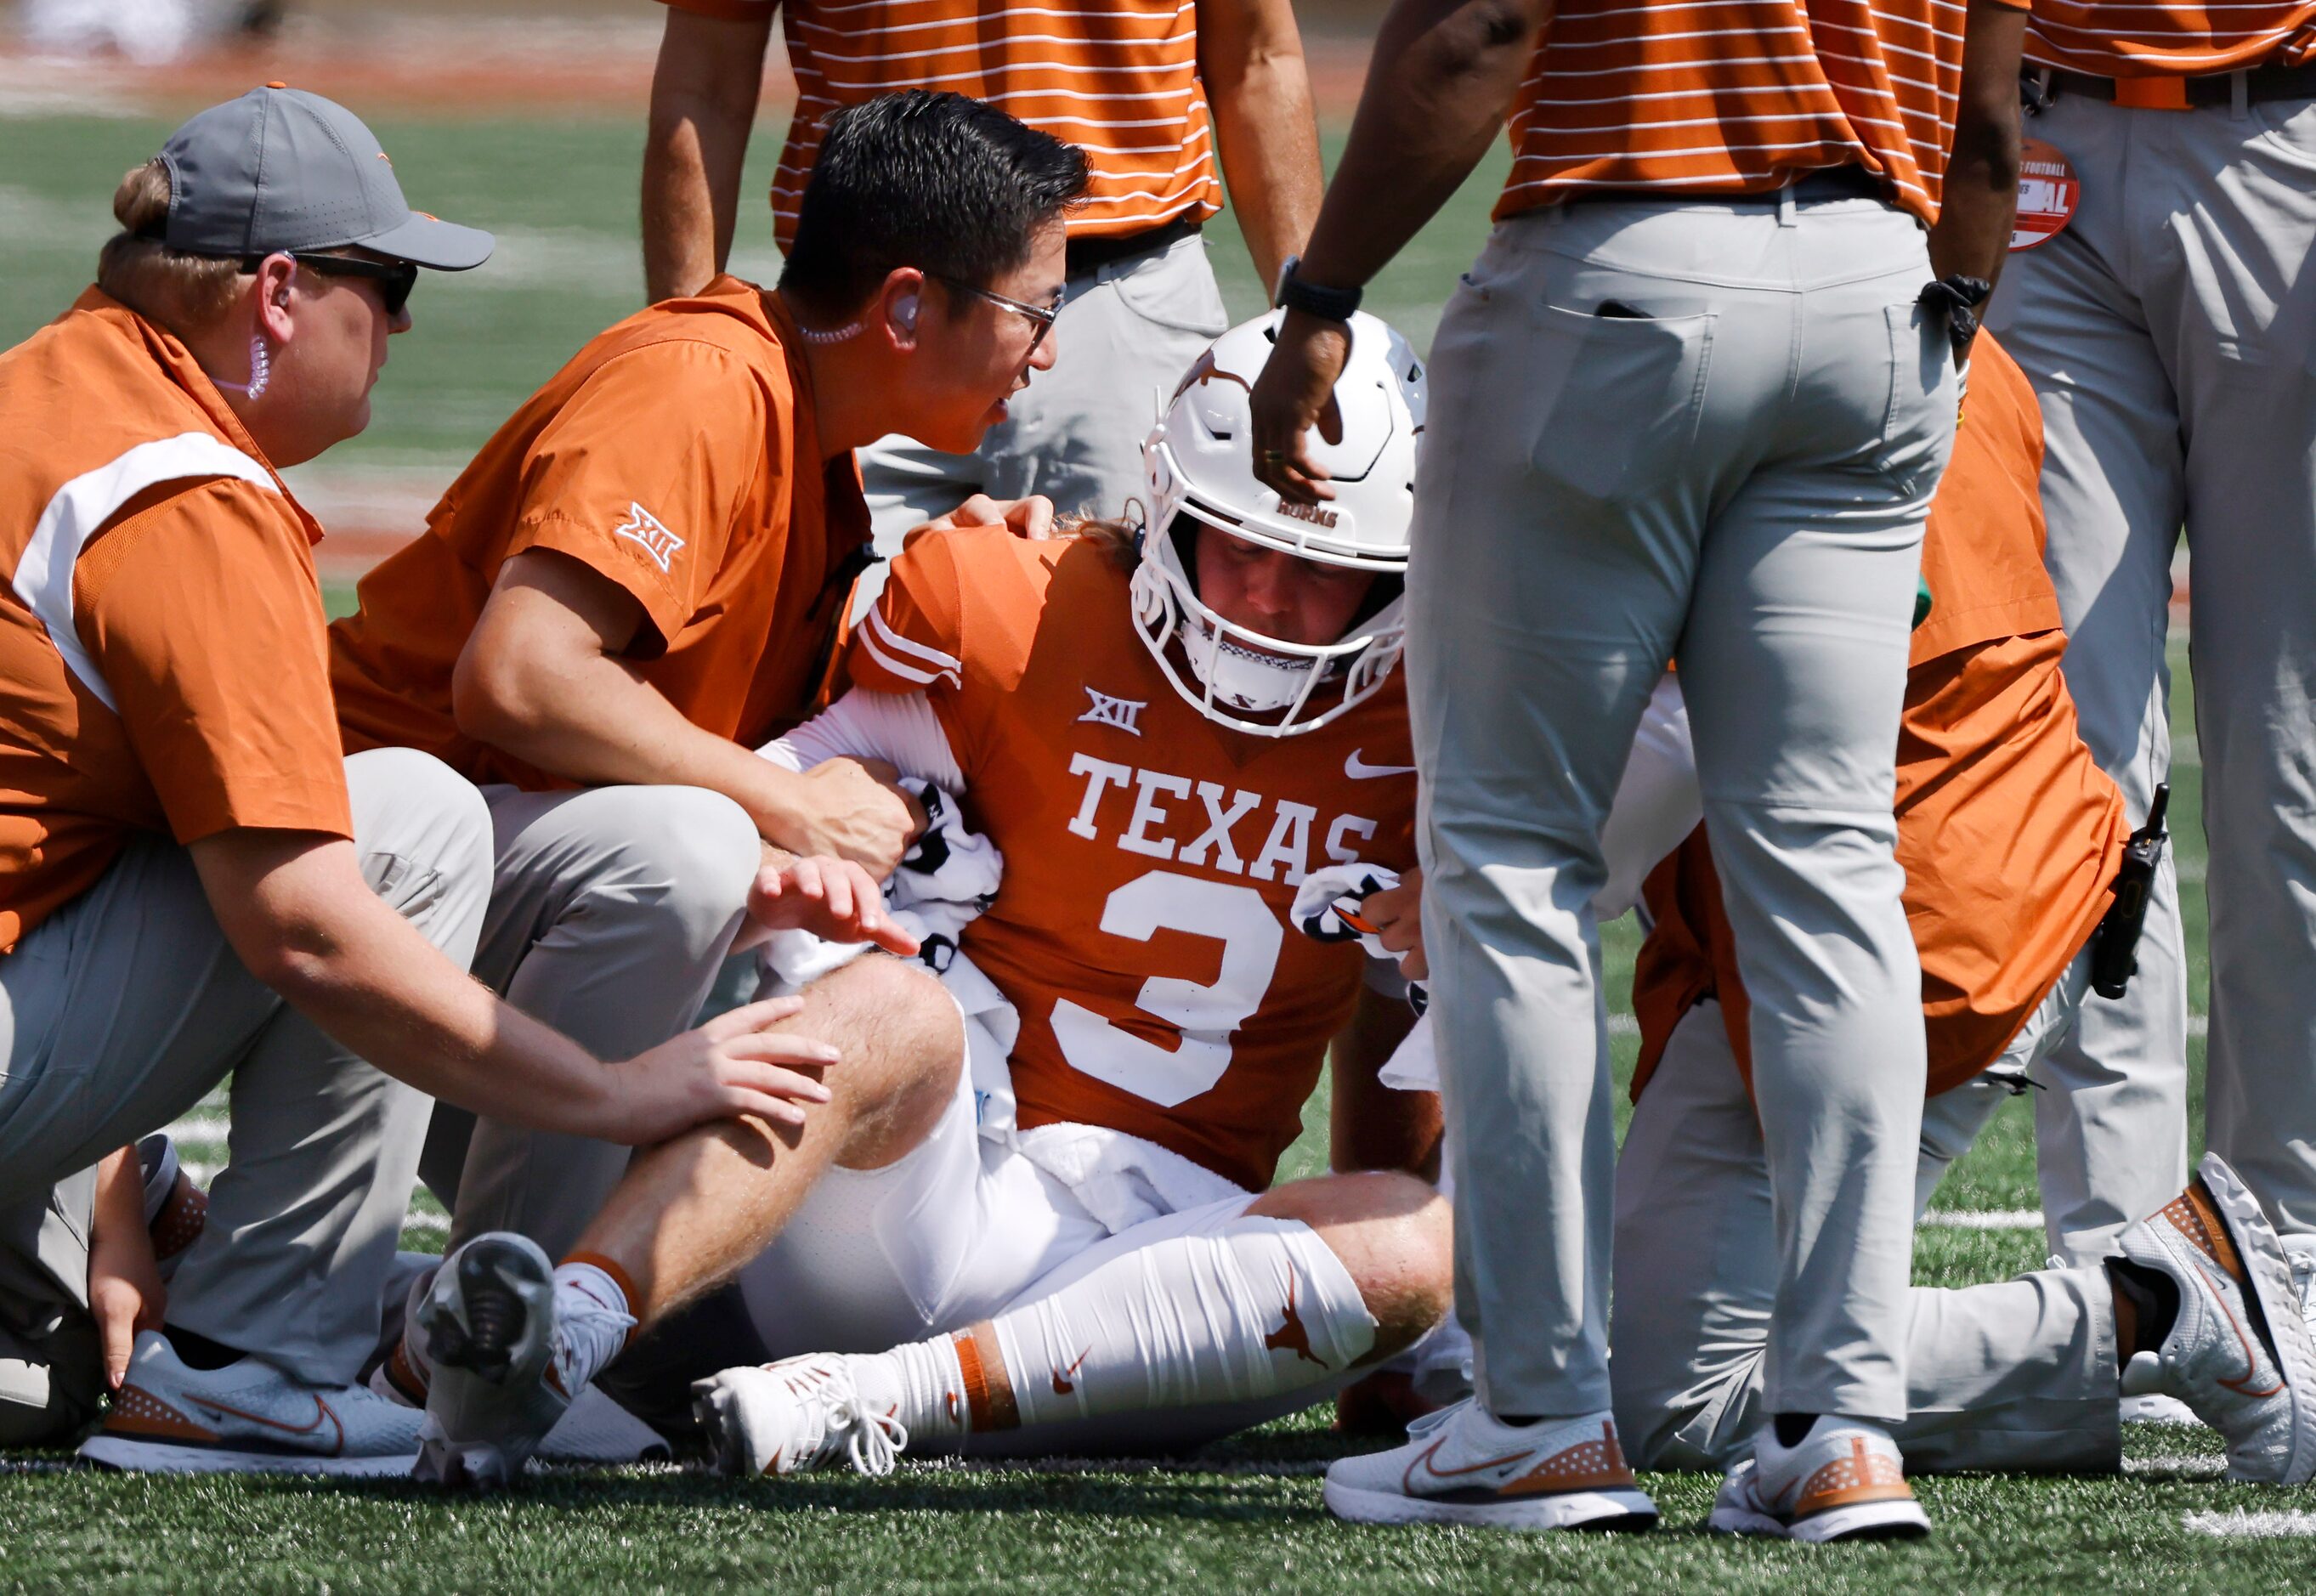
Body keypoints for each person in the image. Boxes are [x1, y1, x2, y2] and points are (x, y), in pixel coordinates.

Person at [360, 314, 1452, 1488]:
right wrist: (826, 813)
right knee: (894, 1005)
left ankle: (871, 1401)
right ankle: (569, 1327)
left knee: (1419, 1243)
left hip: (1159, 1286)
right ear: (1167, 498)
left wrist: (1397, 1357)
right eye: (1236, 544)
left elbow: (1394, 1022)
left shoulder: (1433, 723)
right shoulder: (1007, 609)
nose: (1270, 602)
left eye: (1325, 569)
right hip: (919, 1196)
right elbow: (792, 795)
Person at [1247, 0, 2030, 1542]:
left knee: (1512, 858)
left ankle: (1537, 1410)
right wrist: (1952, 306)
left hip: (1624, 264)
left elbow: (1479, 31)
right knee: (1824, 864)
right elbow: (1994, 114)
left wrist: (1321, 294)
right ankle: (1844, 1428)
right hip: (1887, 288)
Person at [0, 87, 831, 1474]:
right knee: (410, 820)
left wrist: (122, 1188)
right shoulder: (188, 494)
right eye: (381, 287)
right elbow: (308, 928)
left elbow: (61, 838)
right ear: (277, 292)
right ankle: (261, 1359)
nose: (397, 325)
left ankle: (239, 1267)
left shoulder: (47, 385)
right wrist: (621, 1092)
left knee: (39, 1377)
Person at [326, 91, 1087, 1276]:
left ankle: (525, 1303)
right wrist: (786, 806)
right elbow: (519, 677)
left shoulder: (807, 437)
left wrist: (969, 578)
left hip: (469, 864)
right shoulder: (703, 385)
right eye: (1032, 313)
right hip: (350, 864)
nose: (1048, 354)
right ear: (903, 303)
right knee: (689, 849)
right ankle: (508, 1307)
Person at [1979, 11, 2316, 1282]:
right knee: (2070, 751)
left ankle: (2287, 1255)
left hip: (2285, 134)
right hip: (2042, 131)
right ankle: (2111, 1288)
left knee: (2287, 757)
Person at [641, 0, 1324, 563]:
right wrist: (692, 351)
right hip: (863, 315)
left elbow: (1257, 57)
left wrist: (1308, 315)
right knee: (820, 666)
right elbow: (707, 69)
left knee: (1127, 663)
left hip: (1123, 299)